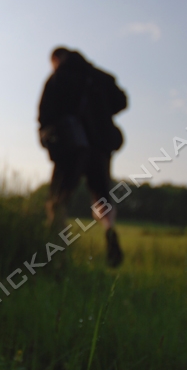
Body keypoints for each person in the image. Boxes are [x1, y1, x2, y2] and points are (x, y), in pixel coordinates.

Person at [38, 47, 128, 267]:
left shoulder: (58, 77)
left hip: (72, 145)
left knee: (59, 199)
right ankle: (109, 229)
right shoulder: (100, 76)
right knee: (102, 196)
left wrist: (48, 135)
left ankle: (57, 257)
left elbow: (44, 115)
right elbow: (122, 101)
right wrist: (101, 113)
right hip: (100, 149)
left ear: (56, 59)